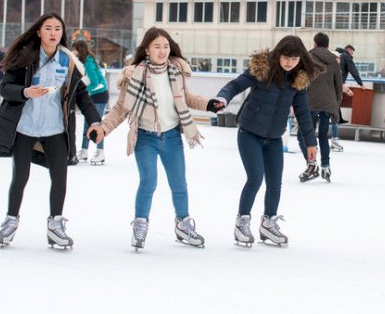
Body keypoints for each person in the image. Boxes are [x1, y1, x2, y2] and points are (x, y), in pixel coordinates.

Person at [87, 27, 211, 250]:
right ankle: (140, 223)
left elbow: (188, 98)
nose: (162, 51)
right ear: (147, 50)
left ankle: (183, 224)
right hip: (145, 137)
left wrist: (209, 104)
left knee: (179, 184)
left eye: (165, 46)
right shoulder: (134, 75)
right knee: (148, 182)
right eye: (157, 47)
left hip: (172, 136)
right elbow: (120, 109)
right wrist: (104, 128)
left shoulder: (176, 72)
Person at [0, 13, 102, 249]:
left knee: (60, 176)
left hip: (55, 129)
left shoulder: (68, 61)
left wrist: (95, 121)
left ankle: (55, 225)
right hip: (25, 127)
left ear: (62, 33)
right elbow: (5, 88)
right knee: (20, 176)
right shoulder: (25, 57)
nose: (52, 33)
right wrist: (25, 92)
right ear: (39, 32)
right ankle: (10, 221)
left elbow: (82, 96)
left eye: (57, 29)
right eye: (48, 28)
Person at [211, 36, 322, 246]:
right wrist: (222, 98)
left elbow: (303, 113)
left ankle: (268, 223)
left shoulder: (298, 80)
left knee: (275, 183)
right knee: (255, 178)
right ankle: (242, 222)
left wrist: (310, 143)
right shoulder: (262, 70)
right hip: (249, 133)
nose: (289, 62)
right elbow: (236, 85)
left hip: (273, 138)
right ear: (278, 54)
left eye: (294, 58)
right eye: (286, 57)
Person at [297, 32, 342, 183]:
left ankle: (311, 165)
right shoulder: (334, 61)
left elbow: (300, 80)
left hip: (310, 102)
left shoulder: (307, 58)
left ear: (315, 43)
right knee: (323, 135)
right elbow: (338, 86)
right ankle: (325, 166)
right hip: (328, 104)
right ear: (328, 45)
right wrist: (336, 105)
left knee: (302, 135)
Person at [72, 40, 109, 165]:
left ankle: (100, 152)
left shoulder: (89, 62)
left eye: (75, 49)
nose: (73, 52)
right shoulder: (84, 61)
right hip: (94, 95)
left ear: (79, 50)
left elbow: (95, 82)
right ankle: (84, 151)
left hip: (99, 95)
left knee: (96, 125)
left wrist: (82, 91)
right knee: (87, 124)